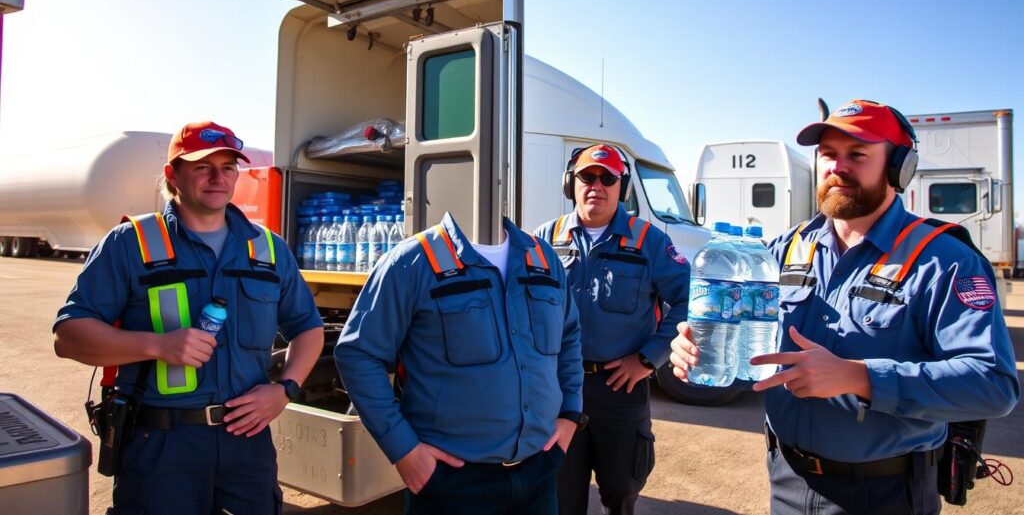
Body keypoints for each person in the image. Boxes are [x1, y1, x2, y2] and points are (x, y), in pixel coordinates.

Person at [671, 99, 1020, 514]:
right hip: (787, 481)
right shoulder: (783, 250)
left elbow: (994, 385)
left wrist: (861, 377)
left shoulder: (944, 261)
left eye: (857, 155)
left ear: (899, 168)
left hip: (885, 493)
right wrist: (702, 350)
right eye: (828, 155)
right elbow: (754, 350)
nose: (838, 167)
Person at [54, 121, 325, 515]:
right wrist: (157, 344)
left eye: (228, 167)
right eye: (202, 166)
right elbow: (69, 337)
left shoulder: (269, 249)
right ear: (172, 174)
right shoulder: (130, 243)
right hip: (161, 446)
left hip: (245, 444)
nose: (218, 178)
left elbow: (308, 328)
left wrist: (285, 390)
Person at [335, 212, 584, 515]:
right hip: (452, 484)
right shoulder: (412, 260)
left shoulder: (542, 258)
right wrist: (405, 452)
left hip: (539, 475)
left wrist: (570, 413)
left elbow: (569, 335)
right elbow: (358, 354)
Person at [534, 144, 690, 515]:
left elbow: (688, 303)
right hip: (558, 390)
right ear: (571, 183)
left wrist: (649, 359)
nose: (597, 185)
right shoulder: (544, 239)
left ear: (623, 188)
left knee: (622, 492)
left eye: (608, 178)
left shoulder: (649, 242)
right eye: (588, 176)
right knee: (560, 495)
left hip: (621, 390)